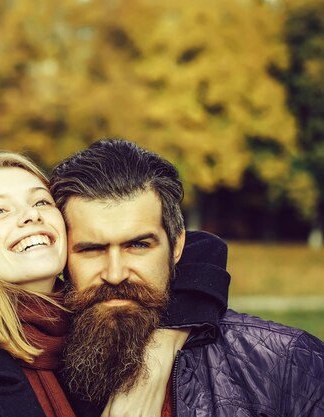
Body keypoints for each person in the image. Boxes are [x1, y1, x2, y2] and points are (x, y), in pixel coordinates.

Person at [0, 152, 229, 417]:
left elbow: (200, 247)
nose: (30, 216)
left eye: (41, 202)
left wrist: (161, 351)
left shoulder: (93, 327)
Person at [49, 139, 324, 417]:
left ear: (177, 246)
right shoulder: (31, 363)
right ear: (60, 254)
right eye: (91, 249)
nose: (116, 274)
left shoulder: (286, 364)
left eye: (139, 245)